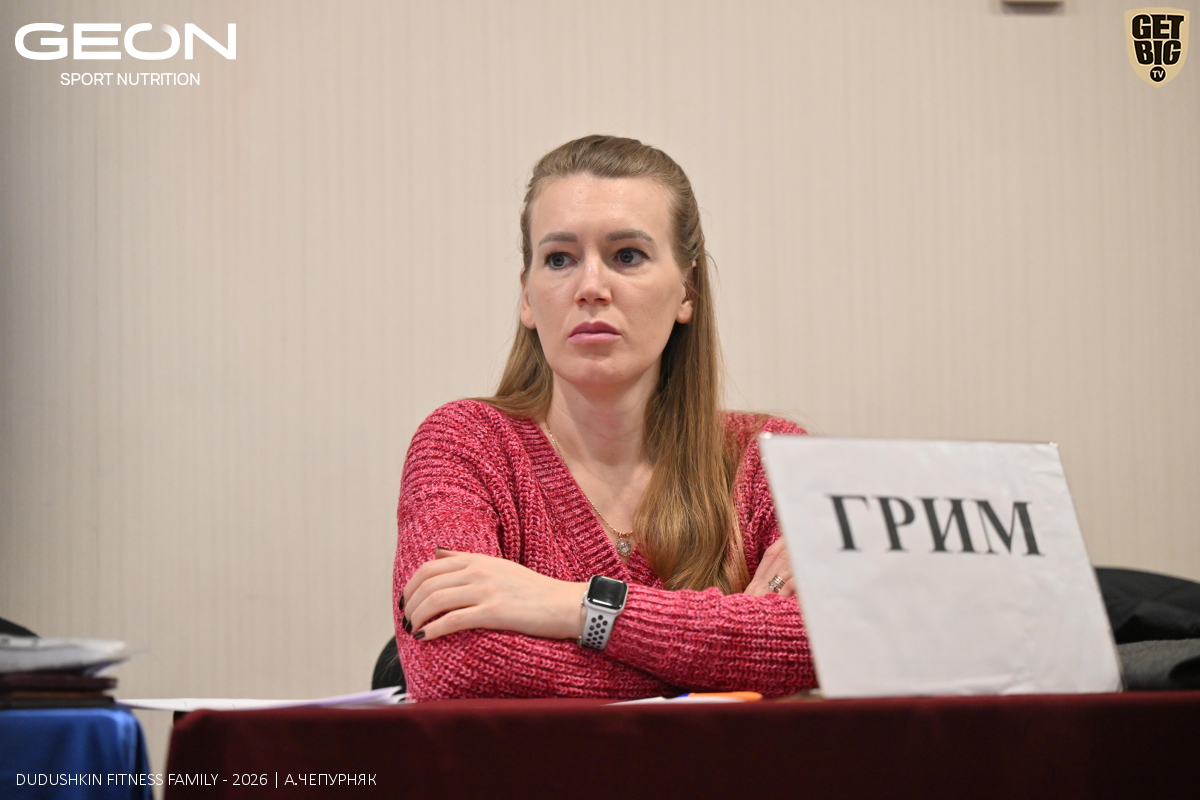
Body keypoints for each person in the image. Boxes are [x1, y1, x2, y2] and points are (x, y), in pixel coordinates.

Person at [393, 135, 817, 701]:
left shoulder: (772, 459)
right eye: (559, 259)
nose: (591, 288)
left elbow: (823, 647)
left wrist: (574, 605)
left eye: (627, 256)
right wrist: (736, 650)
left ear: (686, 291)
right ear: (527, 297)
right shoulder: (464, 444)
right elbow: (457, 665)